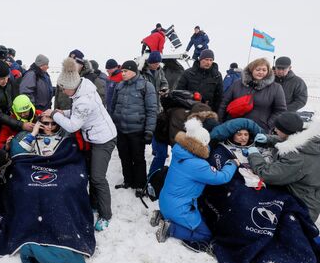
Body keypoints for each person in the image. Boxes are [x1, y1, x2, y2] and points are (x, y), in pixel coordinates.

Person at [44, 57, 117, 231]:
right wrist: (65, 111)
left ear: (70, 88)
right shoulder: (82, 85)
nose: (61, 90)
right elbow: (79, 112)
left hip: (103, 139)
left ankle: (106, 214)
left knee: (98, 177)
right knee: (91, 174)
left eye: (62, 88)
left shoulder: (83, 99)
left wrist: (55, 114)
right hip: (94, 136)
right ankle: (93, 204)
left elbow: (73, 124)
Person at [155, 118, 238, 243]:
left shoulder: (179, 152)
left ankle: (161, 216)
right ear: (202, 144)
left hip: (164, 201)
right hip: (179, 209)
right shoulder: (198, 165)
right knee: (205, 235)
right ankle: (170, 229)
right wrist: (232, 164)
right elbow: (222, 177)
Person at [248, 112, 320, 221]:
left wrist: (254, 155)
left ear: (286, 131)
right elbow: (289, 140)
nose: (275, 131)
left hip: (306, 199)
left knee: (295, 228)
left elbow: (267, 174)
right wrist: (269, 139)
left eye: (277, 129)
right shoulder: (308, 140)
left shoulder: (295, 157)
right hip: (316, 189)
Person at [110, 60, 157, 197]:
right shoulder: (119, 86)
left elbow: (152, 110)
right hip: (121, 130)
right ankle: (128, 181)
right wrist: (113, 125)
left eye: (125, 71)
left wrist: (149, 131)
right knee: (124, 156)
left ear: (133, 71)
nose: (122, 74)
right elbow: (113, 107)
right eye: (122, 71)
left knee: (138, 158)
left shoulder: (146, 86)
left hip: (137, 130)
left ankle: (140, 184)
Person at [218, 58, 286, 132]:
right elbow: (224, 103)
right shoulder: (237, 84)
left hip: (259, 129)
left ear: (268, 71)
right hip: (234, 127)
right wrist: (221, 122)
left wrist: (268, 125)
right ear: (251, 70)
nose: (261, 72)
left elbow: (280, 110)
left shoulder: (276, 88)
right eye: (258, 69)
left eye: (264, 70)